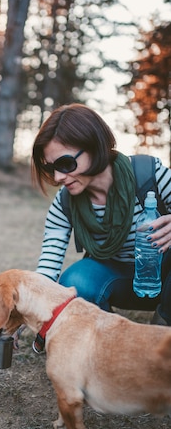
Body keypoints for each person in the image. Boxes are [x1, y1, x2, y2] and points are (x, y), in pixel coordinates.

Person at [31, 103, 171, 326]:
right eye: (50, 168)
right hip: (118, 280)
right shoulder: (65, 202)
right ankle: (103, 339)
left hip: (163, 281)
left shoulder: (149, 175)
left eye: (65, 163)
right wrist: (13, 321)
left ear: (95, 147)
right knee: (76, 281)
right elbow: (47, 270)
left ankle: (163, 330)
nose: (57, 177)